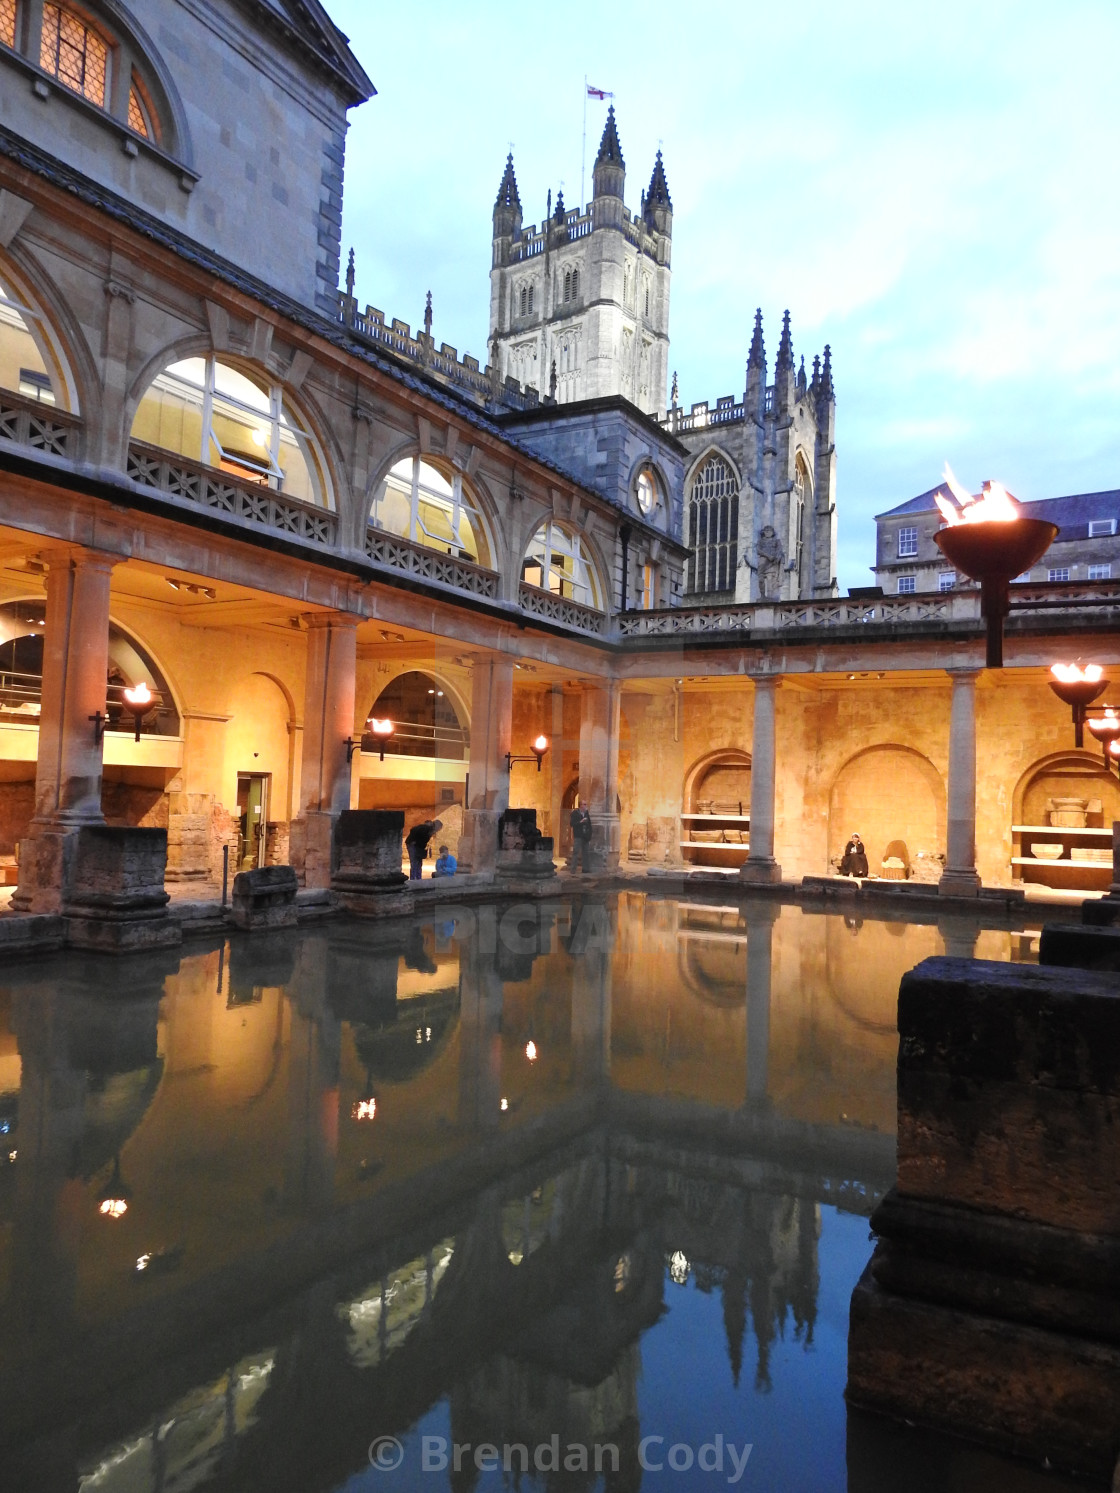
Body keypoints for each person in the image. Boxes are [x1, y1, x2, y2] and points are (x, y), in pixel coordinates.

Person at [570, 804, 593, 873]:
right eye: (584, 804)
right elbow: (572, 824)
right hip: (578, 835)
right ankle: (573, 870)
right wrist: (580, 822)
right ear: (581, 806)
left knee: (586, 852)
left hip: (585, 836)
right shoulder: (575, 813)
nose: (586, 806)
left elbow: (589, 824)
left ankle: (586, 869)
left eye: (586, 804)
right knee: (575, 852)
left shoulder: (586, 813)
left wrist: (589, 833)